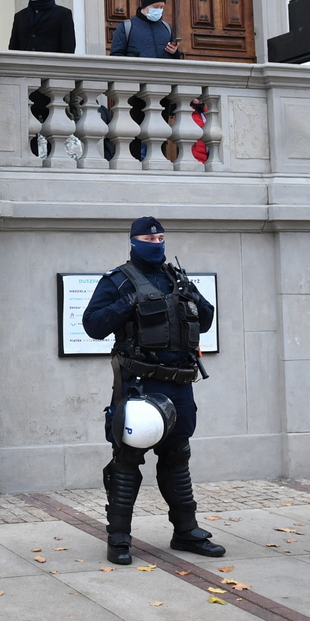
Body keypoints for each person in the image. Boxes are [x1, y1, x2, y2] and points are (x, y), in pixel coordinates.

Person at [82, 217, 223, 565]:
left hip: (180, 385)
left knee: (177, 458)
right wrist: (126, 304)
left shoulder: (178, 278)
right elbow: (93, 326)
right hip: (139, 385)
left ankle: (186, 532)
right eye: (149, 236)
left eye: (161, 236)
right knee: (128, 460)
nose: (156, 242)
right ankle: (118, 538)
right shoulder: (117, 280)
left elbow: (205, 320)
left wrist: (195, 297)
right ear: (134, 241)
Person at [7, 0, 76, 53]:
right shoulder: (20, 16)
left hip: (51, 65)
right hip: (25, 65)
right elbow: (13, 49)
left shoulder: (63, 14)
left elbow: (68, 49)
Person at [110, 0, 182, 58]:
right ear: (145, 5)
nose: (159, 10)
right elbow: (116, 56)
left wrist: (175, 52)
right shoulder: (126, 27)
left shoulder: (166, 27)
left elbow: (176, 59)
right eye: (156, 7)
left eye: (161, 7)